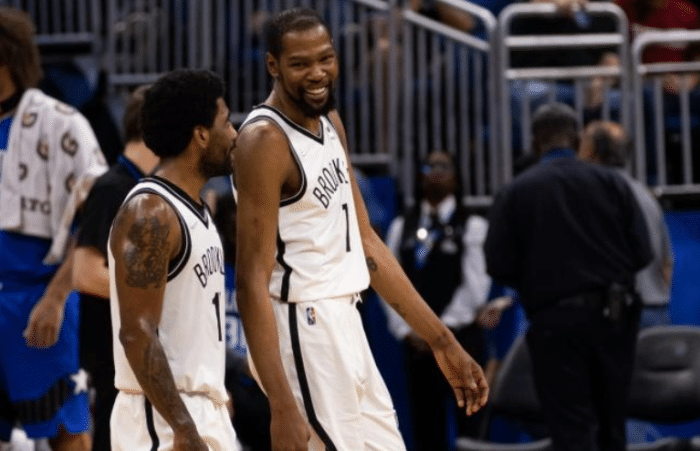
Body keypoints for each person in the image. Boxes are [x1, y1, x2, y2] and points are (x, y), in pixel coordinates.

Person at [232, 8, 489, 451]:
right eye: (300, 63)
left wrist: (442, 341)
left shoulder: (330, 121)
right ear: (273, 65)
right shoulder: (264, 141)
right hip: (302, 323)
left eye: (325, 58)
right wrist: (281, 404)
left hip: (346, 317)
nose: (317, 73)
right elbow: (250, 281)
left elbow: (367, 242)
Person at [484, 102, 653, 451]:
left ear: (534, 144)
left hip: (554, 323)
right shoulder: (613, 182)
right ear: (577, 140)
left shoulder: (514, 192)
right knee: (612, 429)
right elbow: (642, 253)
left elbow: (498, 264)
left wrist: (542, 281)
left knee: (571, 431)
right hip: (614, 319)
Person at [107, 69, 240, 451]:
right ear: (201, 135)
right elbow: (136, 333)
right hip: (162, 421)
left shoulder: (196, 209)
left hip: (197, 410)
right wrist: (182, 426)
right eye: (225, 123)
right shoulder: (151, 213)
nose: (234, 134)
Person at [0, 7, 108, 450]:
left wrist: (56, 297)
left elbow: (95, 221)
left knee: (67, 429)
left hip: (38, 296)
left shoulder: (61, 123)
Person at [382, 149, 506, 450]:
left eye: (444, 166)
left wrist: (439, 332)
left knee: (470, 428)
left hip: (462, 343)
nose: (436, 171)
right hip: (418, 348)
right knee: (426, 431)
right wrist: (407, 330)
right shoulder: (401, 227)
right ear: (419, 177)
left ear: (457, 178)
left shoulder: (473, 226)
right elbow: (388, 283)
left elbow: (475, 287)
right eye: (430, 166)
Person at [72, 86, 159, 451]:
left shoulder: (146, 188)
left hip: (134, 354)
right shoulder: (113, 188)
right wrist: (159, 295)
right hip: (109, 359)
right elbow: (86, 273)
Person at [578, 120, 674, 328]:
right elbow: (666, 264)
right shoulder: (645, 194)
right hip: (656, 313)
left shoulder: (591, 195)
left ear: (591, 151)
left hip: (618, 316)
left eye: (582, 143)